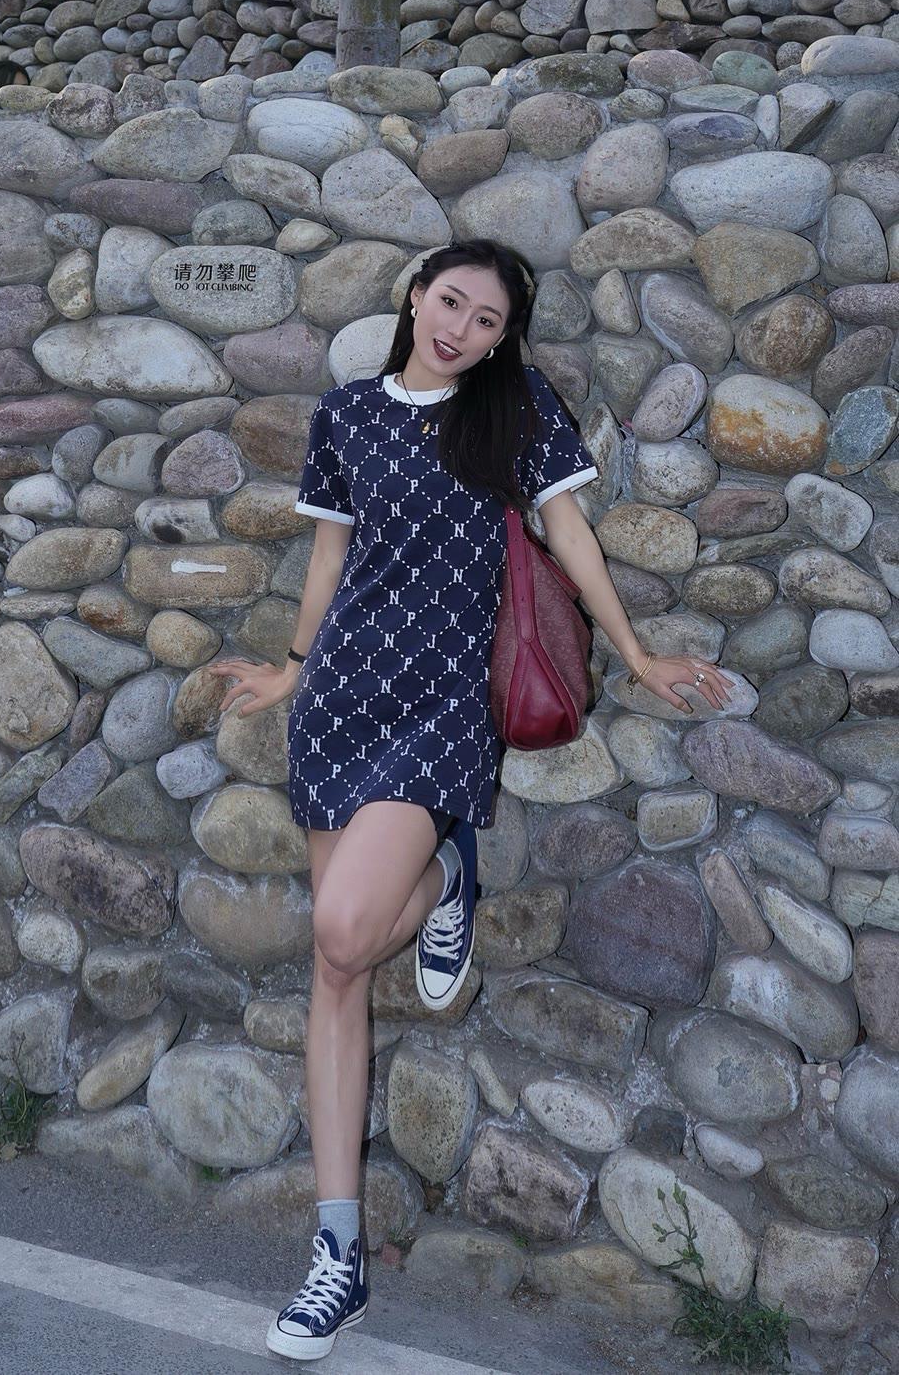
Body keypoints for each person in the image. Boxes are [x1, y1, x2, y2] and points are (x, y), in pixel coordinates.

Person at [209, 237, 734, 1361]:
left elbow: (569, 534)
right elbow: (329, 560)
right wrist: (291, 669)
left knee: (345, 929)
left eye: (486, 319)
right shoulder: (348, 414)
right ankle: (336, 1259)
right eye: (450, 302)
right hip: (343, 697)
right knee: (339, 966)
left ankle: (449, 861)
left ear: (503, 338)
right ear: (415, 297)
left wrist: (637, 656)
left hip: (443, 705)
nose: (461, 329)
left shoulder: (515, 410)